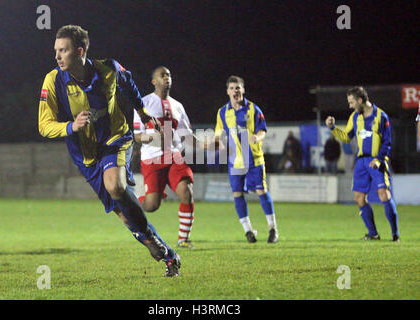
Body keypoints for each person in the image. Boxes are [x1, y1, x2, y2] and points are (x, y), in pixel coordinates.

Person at [38, 25, 181, 276]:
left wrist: (143, 113)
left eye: (64, 50)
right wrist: (72, 126)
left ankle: (157, 246)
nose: (57, 56)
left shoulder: (109, 68)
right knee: (124, 215)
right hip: (86, 156)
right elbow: (43, 125)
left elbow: (129, 85)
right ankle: (166, 253)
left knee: (115, 185)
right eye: (56, 50)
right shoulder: (53, 81)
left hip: (116, 138)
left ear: (80, 51)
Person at [208, 75, 279, 243]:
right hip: (235, 161)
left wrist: (258, 138)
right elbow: (219, 134)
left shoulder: (254, 109)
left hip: (254, 159)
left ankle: (273, 228)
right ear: (227, 91)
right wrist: (215, 143)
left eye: (238, 87)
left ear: (243, 90)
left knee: (261, 191)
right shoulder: (223, 112)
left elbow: (262, 130)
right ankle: (248, 230)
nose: (235, 91)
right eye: (232, 88)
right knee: (237, 194)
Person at [325, 86, 400, 241]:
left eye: (352, 102)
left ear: (360, 100)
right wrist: (332, 128)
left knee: (384, 194)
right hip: (361, 162)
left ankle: (395, 234)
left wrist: (378, 159)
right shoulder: (354, 117)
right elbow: (346, 137)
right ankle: (373, 233)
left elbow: (387, 141)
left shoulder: (381, 116)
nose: (350, 106)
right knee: (359, 198)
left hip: (377, 160)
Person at [133, 66, 195, 249]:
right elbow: (136, 135)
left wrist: (206, 144)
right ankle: (131, 203)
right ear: (154, 81)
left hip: (174, 156)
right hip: (152, 159)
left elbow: (187, 135)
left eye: (169, 74)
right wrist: (151, 137)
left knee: (186, 191)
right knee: (151, 205)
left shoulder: (178, 106)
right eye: (162, 75)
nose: (167, 77)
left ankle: (184, 240)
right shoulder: (143, 104)